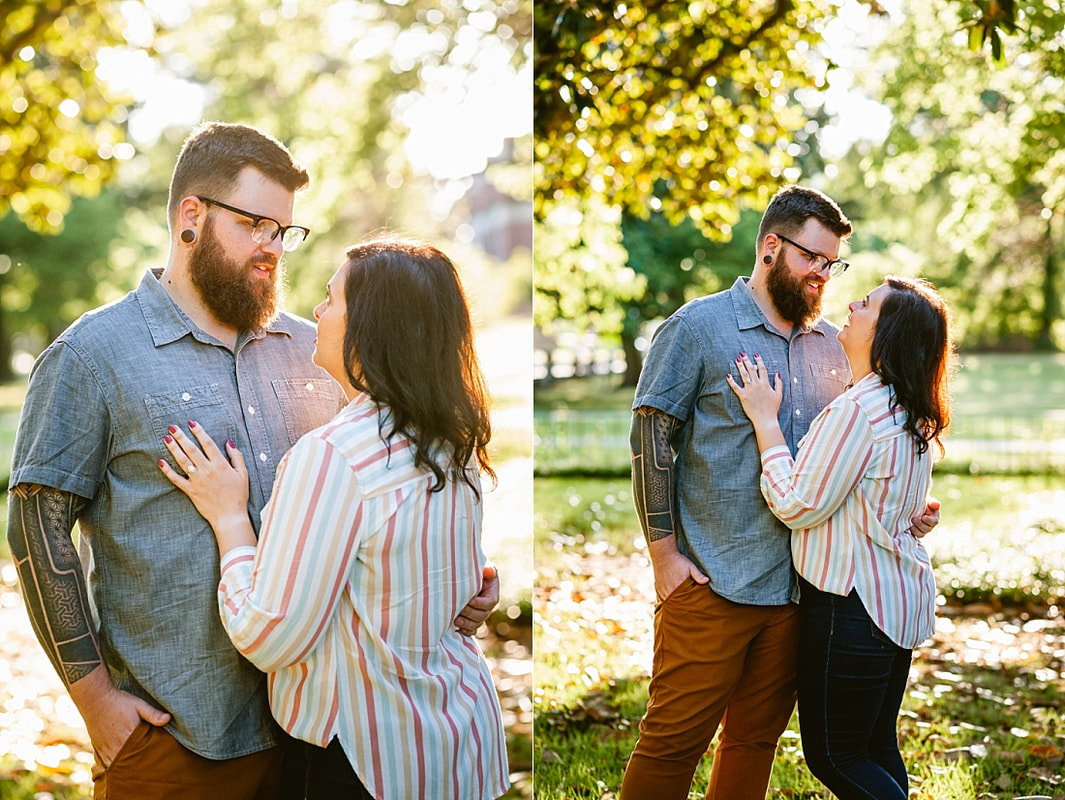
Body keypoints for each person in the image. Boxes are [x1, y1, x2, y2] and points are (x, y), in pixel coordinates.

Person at [6, 122, 498, 800]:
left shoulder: (317, 348)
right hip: (176, 734)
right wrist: (95, 700)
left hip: (314, 734)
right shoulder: (92, 356)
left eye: (284, 231)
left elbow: (384, 491)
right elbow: (37, 529)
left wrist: (450, 580)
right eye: (255, 225)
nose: (273, 248)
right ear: (191, 216)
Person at [156, 237, 511, 800]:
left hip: (363, 762)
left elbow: (269, 637)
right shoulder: (453, 436)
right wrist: (477, 585)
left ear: (372, 326)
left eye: (330, 297)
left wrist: (229, 520)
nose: (316, 312)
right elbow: (414, 571)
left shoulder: (336, 457)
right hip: (457, 741)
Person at [618, 185, 940, 800]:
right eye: (812, 258)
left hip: (800, 594)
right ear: (771, 247)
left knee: (753, 743)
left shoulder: (834, 349)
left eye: (832, 263)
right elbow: (652, 438)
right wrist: (664, 555)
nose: (823, 274)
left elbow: (852, 460)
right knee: (671, 744)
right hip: (711, 580)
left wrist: (899, 506)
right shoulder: (698, 328)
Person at [726, 275, 953, 799]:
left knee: (835, 756)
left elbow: (796, 504)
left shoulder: (858, 411)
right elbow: (880, 498)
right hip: (892, 600)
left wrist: (766, 422)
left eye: (867, 304)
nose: (851, 303)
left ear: (886, 332)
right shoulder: (908, 407)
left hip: (853, 607)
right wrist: (911, 515)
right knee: (873, 746)